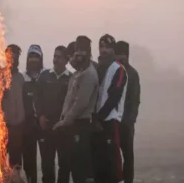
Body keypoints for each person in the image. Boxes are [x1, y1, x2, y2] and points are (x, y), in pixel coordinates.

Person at [53, 36, 99, 183]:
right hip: (73, 126)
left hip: (82, 125)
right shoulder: (77, 74)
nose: (75, 57)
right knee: (73, 167)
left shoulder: (89, 75)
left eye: (80, 52)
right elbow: (69, 100)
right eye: (76, 51)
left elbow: (81, 103)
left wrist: (65, 121)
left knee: (81, 170)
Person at [92, 34, 128, 183]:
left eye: (107, 47)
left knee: (113, 159)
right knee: (100, 162)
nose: (104, 50)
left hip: (110, 120)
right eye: (101, 47)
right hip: (97, 122)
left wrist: (99, 118)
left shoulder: (118, 69)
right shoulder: (99, 69)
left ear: (113, 49)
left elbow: (114, 97)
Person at [34, 45, 72, 183]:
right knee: (47, 164)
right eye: (54, 56)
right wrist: (40, 116)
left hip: (64, 129)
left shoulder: (71, 79)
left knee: (64, 164)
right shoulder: (44, 76)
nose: (55, 60)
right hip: (47, 127)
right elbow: (36, 98)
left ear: (66, 60)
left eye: (59, 57)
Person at [115, 41, 141, 183]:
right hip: (114, 122)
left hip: (126, 123)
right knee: (114, 157)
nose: (120, 58)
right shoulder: (113, 71)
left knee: (128, 157)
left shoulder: (132, 74)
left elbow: (135, 99)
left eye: (122, 55)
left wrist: (130, 120)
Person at [22, 44, 45, 183]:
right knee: (29, 162)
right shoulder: (22, 78)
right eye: (31, 56)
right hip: (27, 126)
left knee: (47, 162)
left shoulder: (46, 76)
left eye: (36, 57)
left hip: (43, 125)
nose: (34, 60)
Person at [2, 44, 26, 170]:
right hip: (4, 127)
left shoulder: (21, 78)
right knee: (0, 163)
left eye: (16, 58)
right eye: (10, 58)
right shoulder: (1, 76)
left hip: (18, 127)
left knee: (16, 163)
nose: (13, 61)